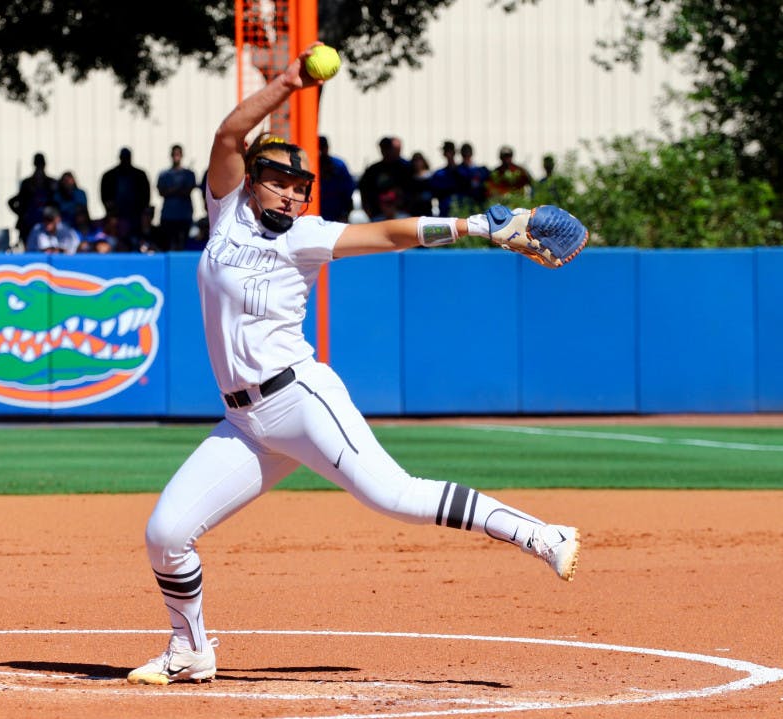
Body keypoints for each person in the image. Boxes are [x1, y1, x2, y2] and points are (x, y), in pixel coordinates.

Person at [126, 44, 581, 687]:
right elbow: (229, 134)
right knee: (166, 533)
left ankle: (542, 535)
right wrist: (288, 82)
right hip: (244, 424)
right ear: (251, 180)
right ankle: (191, 651)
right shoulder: (226, 214)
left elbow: (391, 233)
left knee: (394, 496)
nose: (290, 194)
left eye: (299, 187)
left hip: (299, 400)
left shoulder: (306, 235)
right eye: (279, 181)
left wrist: (477, 225)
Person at [100, 147, 151, 250]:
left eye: (127, 158)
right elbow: (105, 197)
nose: (125, 161)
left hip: (135, 216)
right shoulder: (109, 175)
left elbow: (146, 195)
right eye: (123, 158)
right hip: (117, 216)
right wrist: (112, 211)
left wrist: (140, 210)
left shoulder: (140, 175)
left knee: (136, 240)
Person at [357, 136, 413, 220]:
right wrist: (369, 211)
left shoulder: (405, 168)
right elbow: (364, 190)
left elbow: (412, 190)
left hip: (402, 213)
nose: (386, 151)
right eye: (384, 148)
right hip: (378, 214)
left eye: (388, 148)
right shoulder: (373, 170)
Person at [8, 153, 57, 247]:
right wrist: (22, 214)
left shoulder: (51, 183)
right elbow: (13, 201)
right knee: (29, 247)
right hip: (29, 225)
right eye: (38, 164)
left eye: (41, 164)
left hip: (46, 224)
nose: (39, 167)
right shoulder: (27, 183)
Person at [157, 144, 198, 251]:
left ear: (182, 155)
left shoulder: (189, 174)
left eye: (178, 154)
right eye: (174, 154)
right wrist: (178, 188)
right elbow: (161, 192)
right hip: (168, 216)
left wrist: (172, 190)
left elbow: (188, 191)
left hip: (184, 216)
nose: (176, 156)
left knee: (183, 245)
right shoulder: (164, 174)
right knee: (168, 245)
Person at [317, 135, 355, 222]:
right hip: (317, 213)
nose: (321, 151)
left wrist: (345, 212)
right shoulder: (312, 164)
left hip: (337, 214)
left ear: (327, 148)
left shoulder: (338, 164)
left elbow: (348, 189)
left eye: (322, 148)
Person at [454, 142, 489, 213]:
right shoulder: (458, 171)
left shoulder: (481, 170)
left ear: (471, 154)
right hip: (464, 204)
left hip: (479, 203)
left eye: (468, 153)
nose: (467, 156)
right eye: (465, 154)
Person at [430, 140, 461, 216]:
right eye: (446, 151)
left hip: (461, 209)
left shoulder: (463, 172)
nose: (448, 154)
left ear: (454, 152)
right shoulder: (439, 174)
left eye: (450, 151)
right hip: (445, 210)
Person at [406, 151, 434, 217]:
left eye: (419, 161)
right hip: (415, 209)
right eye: (415, 161)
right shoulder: (411, 177)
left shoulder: (430, 175)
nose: (417, 163)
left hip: (427, 207)